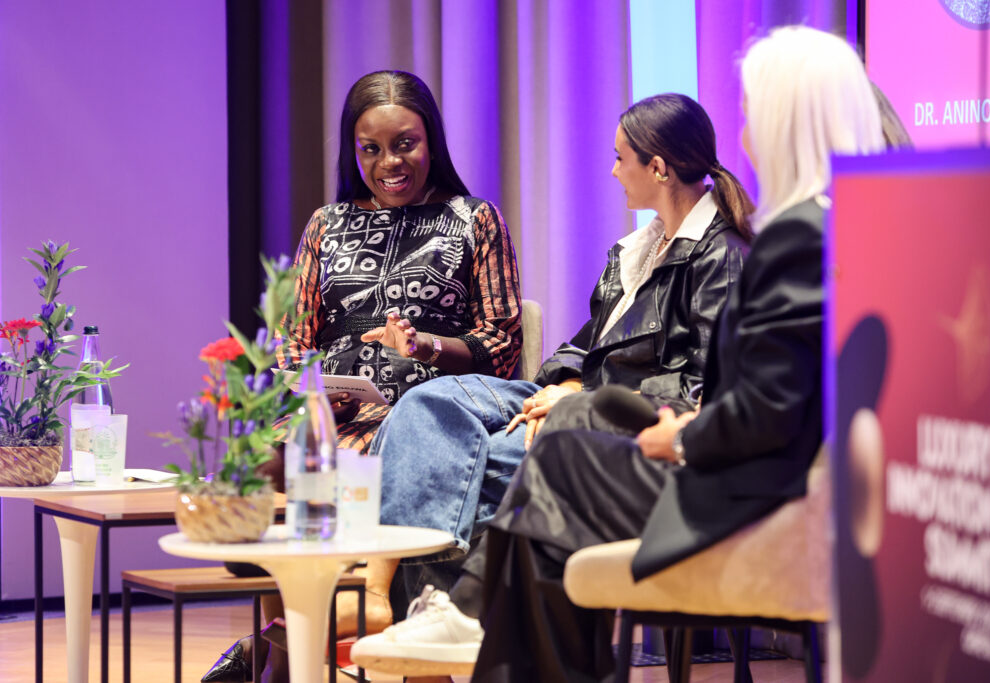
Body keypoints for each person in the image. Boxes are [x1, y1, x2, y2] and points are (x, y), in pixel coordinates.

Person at [350, 25, 885, 682]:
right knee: (462, 415)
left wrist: (682, 435)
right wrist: (565, 382)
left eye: (753, 117)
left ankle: (464, 612)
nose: (745, 139)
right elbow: (762, 390)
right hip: (723, 454)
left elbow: (763, 407)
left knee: (560, 455)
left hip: (742, 484)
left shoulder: (789, 240)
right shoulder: (829, 228)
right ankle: (466, 615)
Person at [343, 91, 755, 662]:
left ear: (658, 168)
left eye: (621, 158)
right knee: (426, 402)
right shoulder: (637, 250)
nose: (613, 171)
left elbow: (701, 388)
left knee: (462, 465)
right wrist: (565, 383)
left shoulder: (720, 257)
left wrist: (584, 400)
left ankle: (429, 612)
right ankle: (412, 607)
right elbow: (584, 345)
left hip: (621, 420)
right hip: (569, 397)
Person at [202, 69, 522, 683]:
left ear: (431, 141)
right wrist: (314, 396)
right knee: (260, 462)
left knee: (378, 448)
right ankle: (284, 646)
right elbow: (293, 340)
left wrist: (425, 346)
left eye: (405, 144)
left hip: (427, 410)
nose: (388, 163)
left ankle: (290, 646)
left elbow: (502, 343)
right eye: (370, 148)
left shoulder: (474, 219)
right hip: (333, 413)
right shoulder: (327, 224)